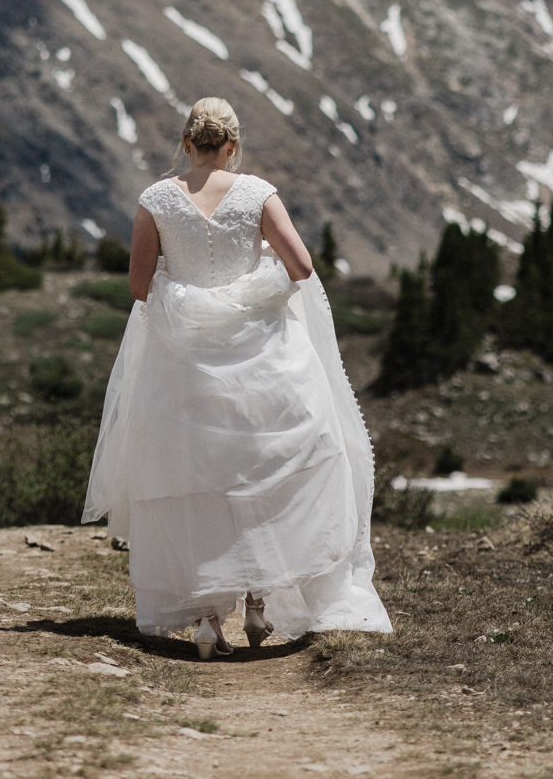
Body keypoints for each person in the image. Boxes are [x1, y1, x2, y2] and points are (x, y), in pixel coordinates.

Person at [84, 98, 391, 657]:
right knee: (261, 473)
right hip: (261, 361)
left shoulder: (156, 200)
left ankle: (206, 618)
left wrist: (189, 297)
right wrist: (255, 279)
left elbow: (138, 285)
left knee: (195, 476)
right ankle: (255, 604)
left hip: (182, 362)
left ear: (185, 143)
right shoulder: (256, 193)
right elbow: (300, 267)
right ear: (232, 145)